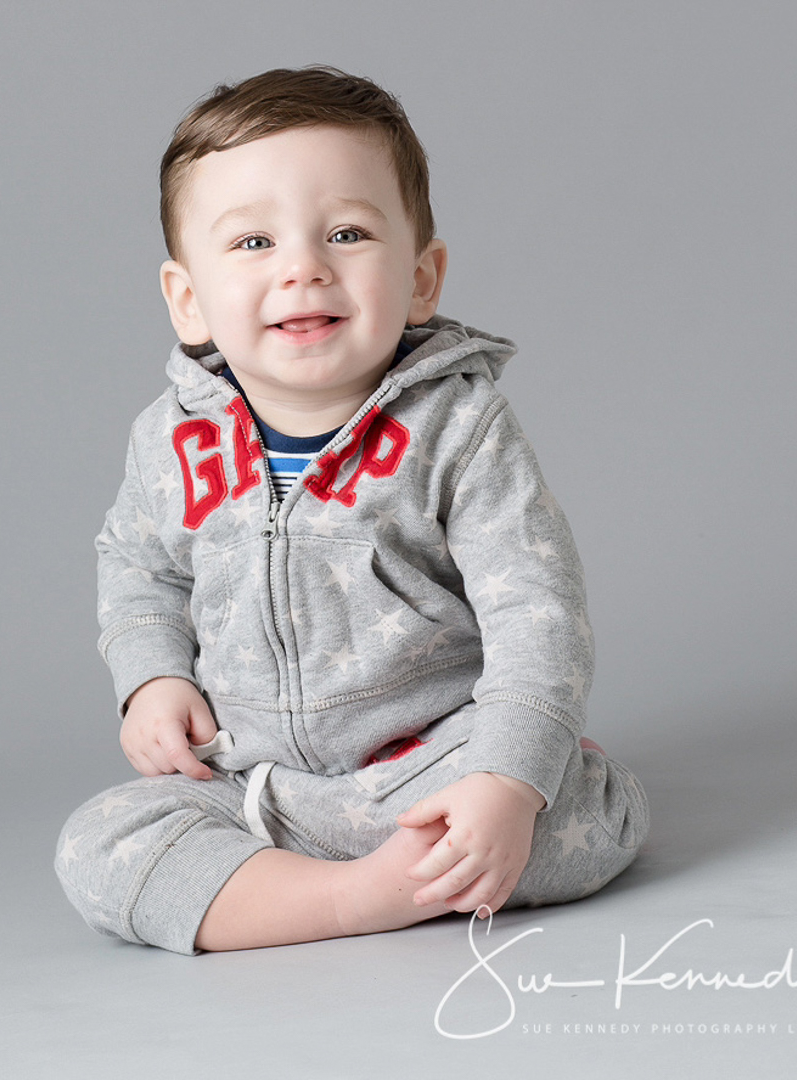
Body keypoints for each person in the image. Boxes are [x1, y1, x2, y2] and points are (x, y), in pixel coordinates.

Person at [55, 66, 649, 955]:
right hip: (259, 785)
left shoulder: (458, 425)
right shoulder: (169, 439)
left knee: (571, 816)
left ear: (420, 278)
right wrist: (152, 677)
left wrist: (507, 777)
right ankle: (352, 898)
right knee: (97, 849)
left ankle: (467, 826)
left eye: (345, 232)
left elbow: (539, 611)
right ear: (188, 300)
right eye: (253, 243)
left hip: (434, 759)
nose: (303, 267)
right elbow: (140, 567)